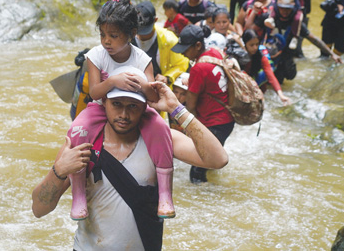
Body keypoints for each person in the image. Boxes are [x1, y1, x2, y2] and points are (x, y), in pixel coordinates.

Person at [31, 74, 229, 251]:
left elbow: (218, 159)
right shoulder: (81, 144)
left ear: (145, 107)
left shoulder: (161, 140)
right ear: (104, 103)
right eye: (117, 104)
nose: (124, 115)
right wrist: (59, 171)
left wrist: (176, 109)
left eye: (132, 106)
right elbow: (39, 209)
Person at [67, 0, 175, 221]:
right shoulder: (96, 56)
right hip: (101, 106)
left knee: (161, 129)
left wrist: (143, 85)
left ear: (131, 33)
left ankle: (165, 194)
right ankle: (78, 194)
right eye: (103, 35)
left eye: (113, 36)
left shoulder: (141, 59)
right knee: (78, 129)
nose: (106, 41)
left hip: (137, 107)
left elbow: (153, 97)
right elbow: (95, 92)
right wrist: (114, 81)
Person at [171, 25, 235, 183]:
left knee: (196, 172)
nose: (184, 54)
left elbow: (191, 106)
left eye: (186, 49)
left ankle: (211, 201)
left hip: (214, 123)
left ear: (198, 45)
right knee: (212, 161)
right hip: (227, 121)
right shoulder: (214, 53)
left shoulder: (198, 68)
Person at [259, 0, 342, 84]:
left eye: (288, 9)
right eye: (282, 8)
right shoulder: (267, 19)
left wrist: (331, 53)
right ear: (277, 7)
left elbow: (313, 39)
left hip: (285, 57)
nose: (285, 12)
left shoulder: (297, 24)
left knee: (284, 78)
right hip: (268, 55)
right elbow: (252, 32)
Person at [134, 1, 190, 88]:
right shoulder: (125, 38)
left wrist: (167, 77)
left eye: (145, 30)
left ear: (156, 20)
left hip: (159, 87)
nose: (142, 34)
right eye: (139, 30)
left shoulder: (169, 40)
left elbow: (182, 63)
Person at [241, 29, 291, 105]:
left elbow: (270, 75)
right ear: (244, 44)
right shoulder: (238, 55)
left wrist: (280, 95)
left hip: (256, 83)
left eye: (257, 44)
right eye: (251, 45)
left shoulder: (260, 56)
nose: (255, 48)